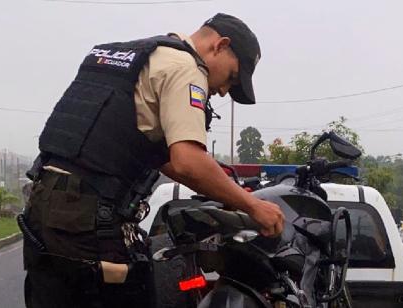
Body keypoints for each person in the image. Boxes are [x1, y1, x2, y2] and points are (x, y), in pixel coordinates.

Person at [22, 13, 285, 308]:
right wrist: (253, 206)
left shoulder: (130, 56)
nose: (224, 90)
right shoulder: (185, 68)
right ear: (219, 46)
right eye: (232, 77)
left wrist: (227, 191)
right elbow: (187, 160)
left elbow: (159, 158)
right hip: (90, 226)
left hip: (41, 215)